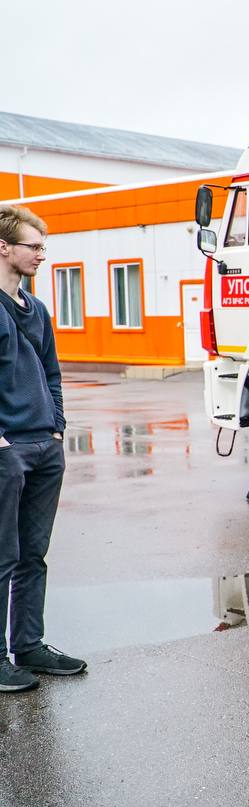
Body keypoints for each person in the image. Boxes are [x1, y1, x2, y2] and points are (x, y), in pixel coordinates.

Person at [0, 205, 86, 693]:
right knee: (2, 555)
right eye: (32, 246)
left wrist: (56, 429)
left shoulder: (37, 309)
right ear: (4, 247)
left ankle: (28, 644)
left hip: (42, 447)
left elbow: (52, 372)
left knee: (34, 554)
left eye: (43, 246)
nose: (40, 254)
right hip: (7, 450)